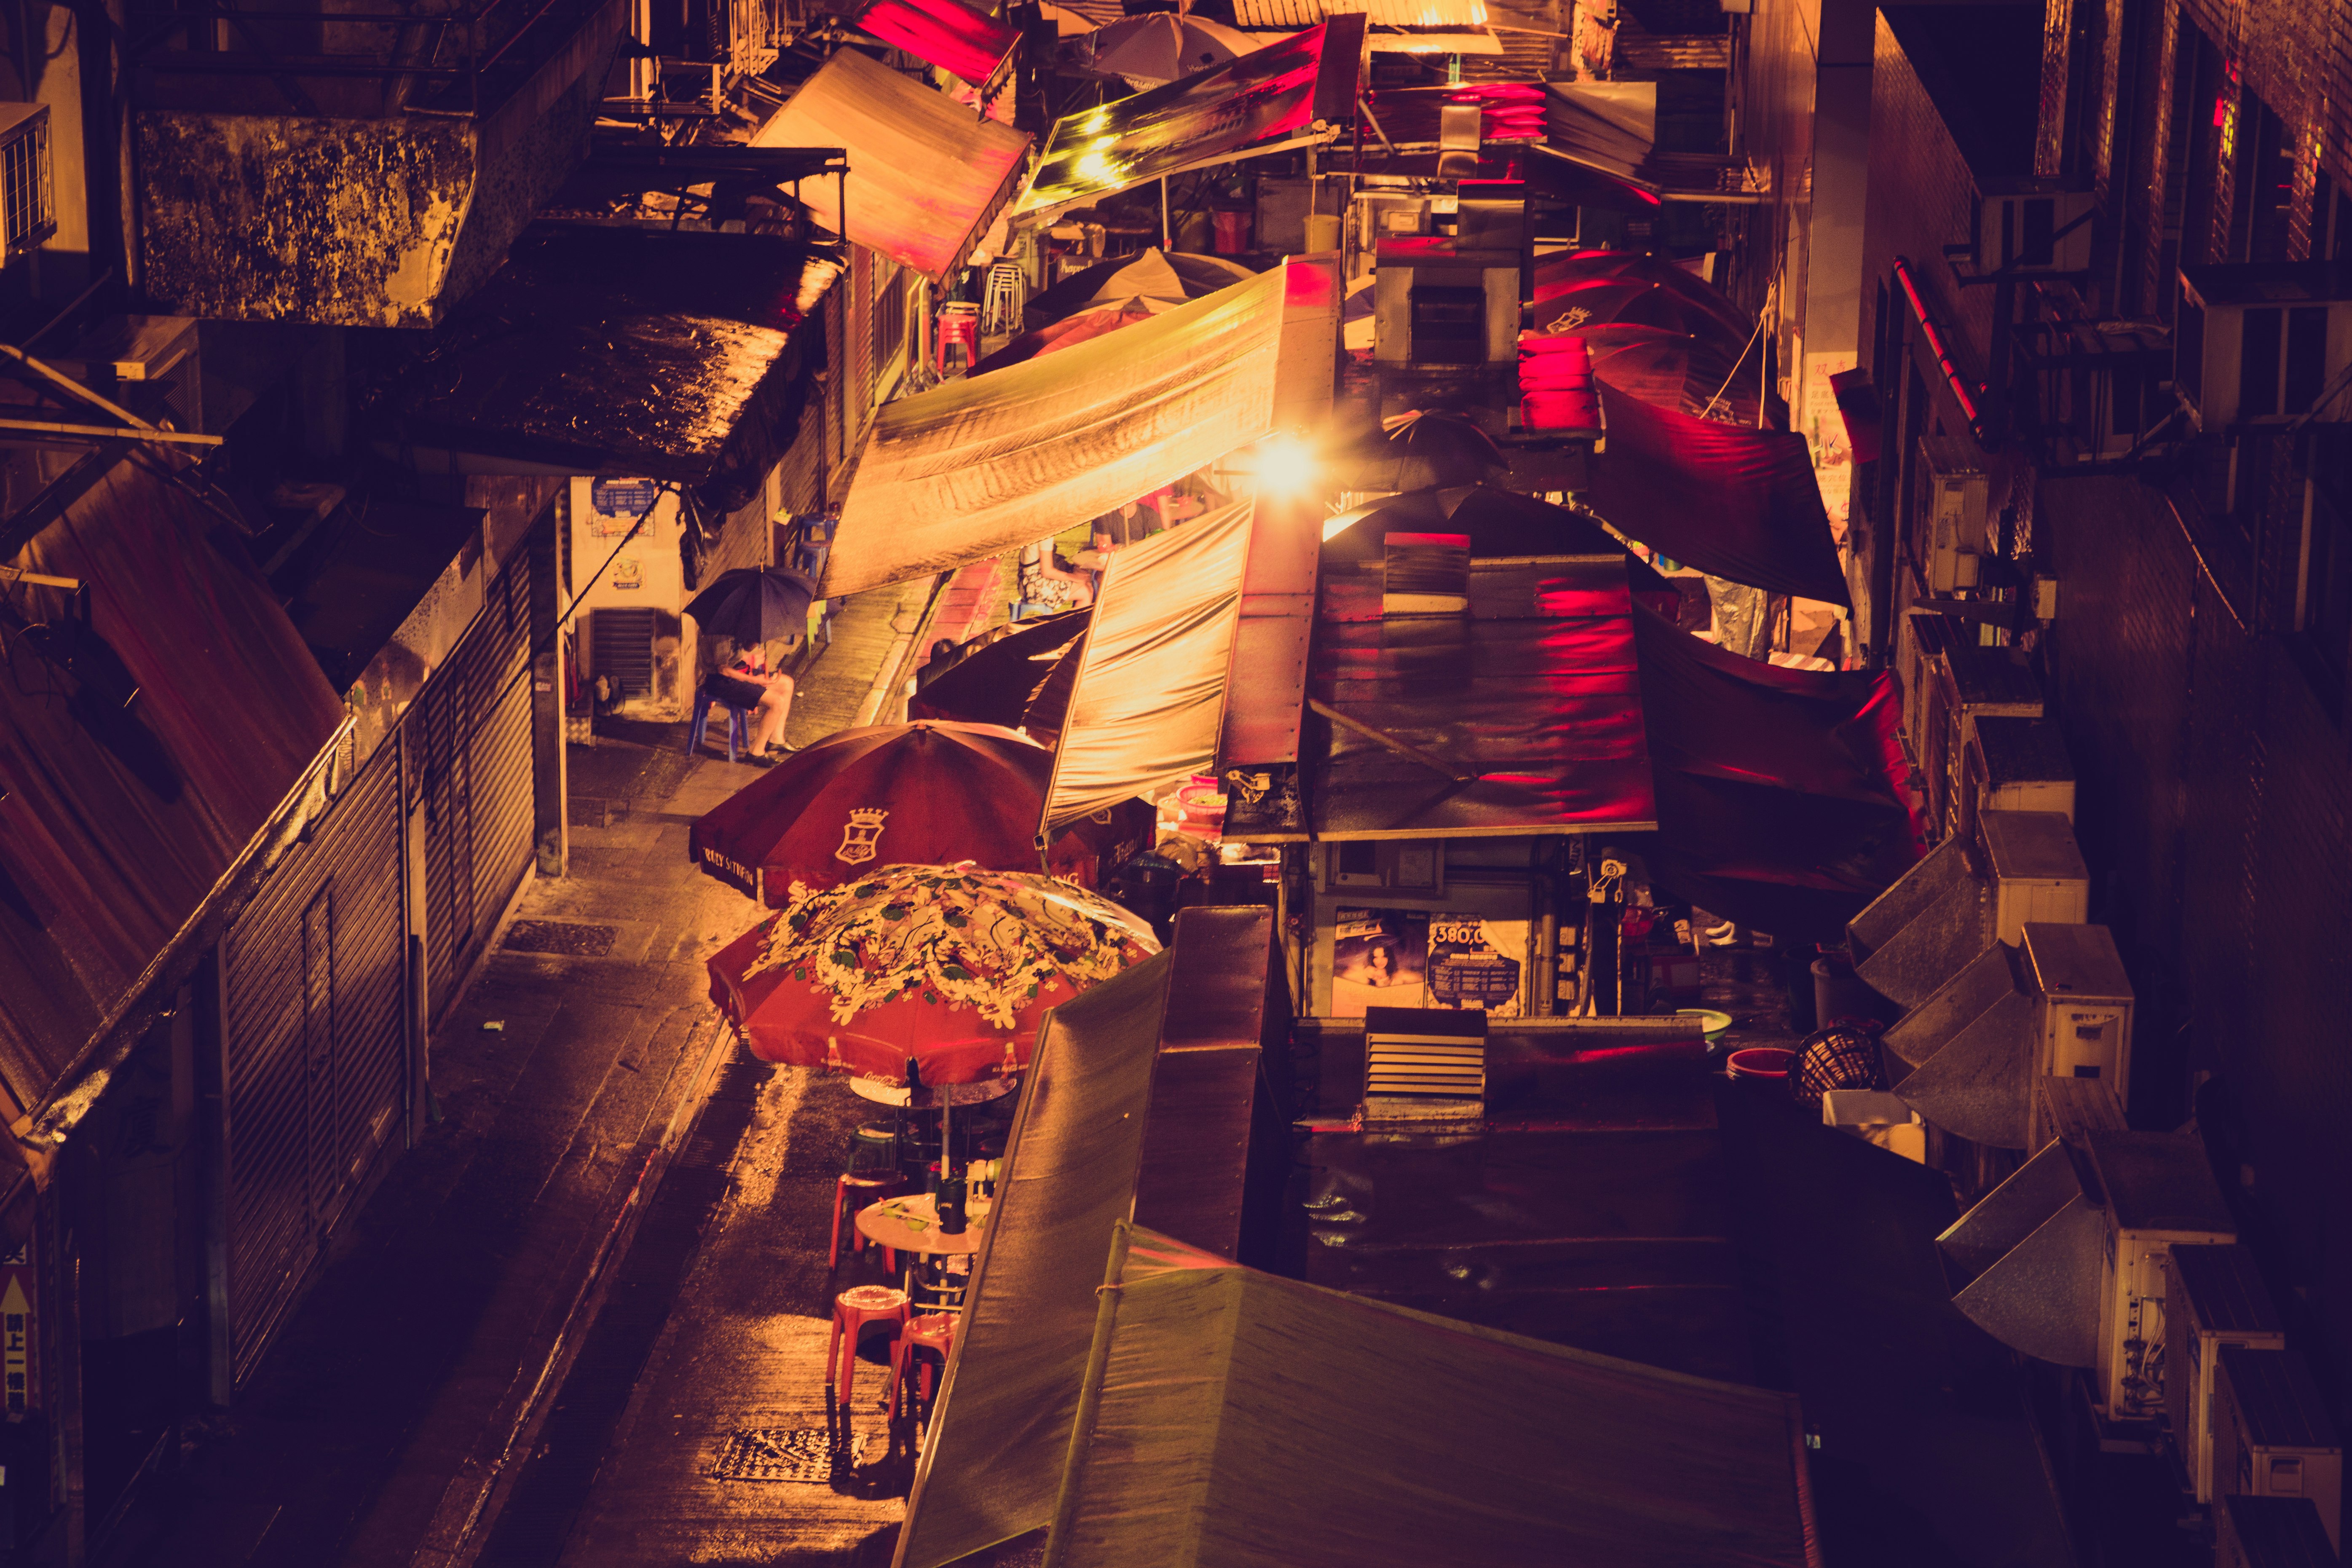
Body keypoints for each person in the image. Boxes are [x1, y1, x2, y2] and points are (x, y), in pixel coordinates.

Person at [726, 641, 796, 760]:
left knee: (787, 684)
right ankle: (756, 752)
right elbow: (723, 670)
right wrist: (754, 680)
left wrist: (756, 640)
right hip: (724, 682)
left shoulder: (735, 627)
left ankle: (776, 740)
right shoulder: (718, 637)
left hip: (742, 672)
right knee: (777, 702)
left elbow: (747, 648)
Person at [1018, 538, 1092, 611]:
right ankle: (1078, 622)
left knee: (1083, 578)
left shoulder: (1034, 531)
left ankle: (1075, 620)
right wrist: (1075, 578)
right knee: (1086, 591)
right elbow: (1047, 572)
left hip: (1024, 584)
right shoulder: (1046, 536)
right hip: (1035, 590)